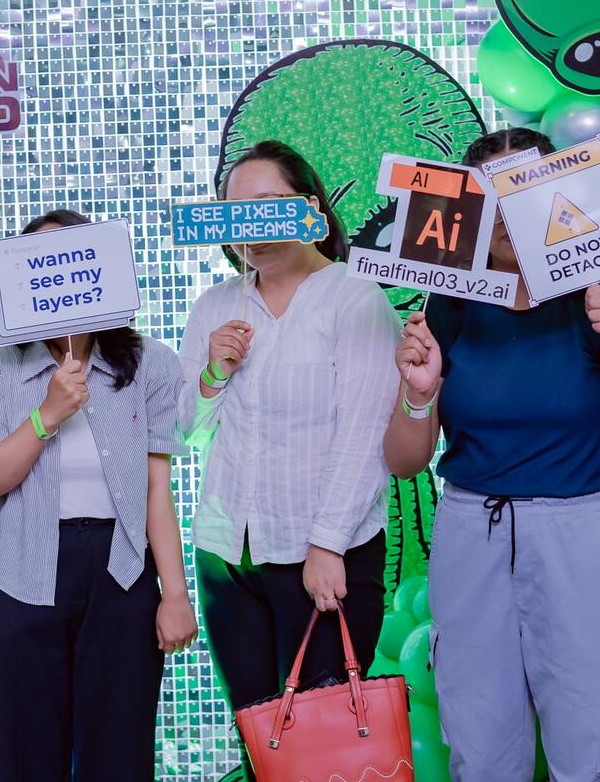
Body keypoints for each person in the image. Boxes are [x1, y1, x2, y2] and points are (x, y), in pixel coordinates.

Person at [385, 127, 600, 782]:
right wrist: (418, 393)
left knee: (594, 746)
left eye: (521, 188)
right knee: (480, 748)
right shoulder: (448, 305)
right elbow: (404, 462)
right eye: (488, 195)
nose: (505, 210)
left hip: (583, 533)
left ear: (558, 194)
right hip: (472, 533)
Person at [0, 209, 197, 782]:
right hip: (21, 573)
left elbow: (156, 489)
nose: (56, 277)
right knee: (22, 758)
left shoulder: (150, 364)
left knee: (120, 757)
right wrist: (48, 415)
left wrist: (176, 593)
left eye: (68, 260)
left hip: (121, 573)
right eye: (39, 264)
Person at [177, 139, 401, 773]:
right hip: (228, 555)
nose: (251, 223)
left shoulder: (354, 295)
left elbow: (364, 434)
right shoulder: (215, 305)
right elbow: (185, 430)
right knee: (263, 744)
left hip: (323, 555)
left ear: (310, 207)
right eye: (235, 209)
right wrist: (214, 371)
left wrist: (327, 545)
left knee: (324, 750)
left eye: (268, 203)